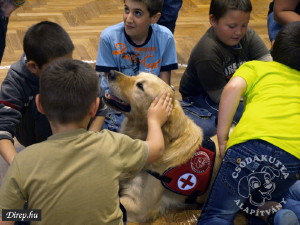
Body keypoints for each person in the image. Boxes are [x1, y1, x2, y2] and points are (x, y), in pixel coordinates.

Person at [0, 59, 173, 225]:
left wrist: (36, 214)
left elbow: (5, 218)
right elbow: (156, 149)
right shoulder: (113, 144)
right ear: (94, 107)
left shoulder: (23, 161)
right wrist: (154, 121)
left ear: (39, 105)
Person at [197, 21, 300, 225]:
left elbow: (232, 88)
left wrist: (223, 137)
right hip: (291, 156)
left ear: (272, 44)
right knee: (262, 202)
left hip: (248, 148)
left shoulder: (257, 67)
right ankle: (277, 215)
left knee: (218, 214)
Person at [0, 21, 107, 165]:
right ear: (33, 67)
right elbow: (2, 129)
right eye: (56, 68)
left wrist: (90, 140)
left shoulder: (73, 69)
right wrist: (18, 165)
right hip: (33, 137)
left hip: (70, 135)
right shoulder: (16, 81)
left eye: (68, 62)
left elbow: (101, 105)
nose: (65, 71)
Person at [179, 0, 272, 137]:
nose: (239, 32)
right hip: (203, 96)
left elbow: (268, 67)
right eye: (232, 26)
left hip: (235, 91)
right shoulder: (207, 52)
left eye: (244, 25)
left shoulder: (249, 35)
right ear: (213, 20)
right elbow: (220, 96)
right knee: (245, 116)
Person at [96, 0, 178, 132]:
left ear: (154, 18)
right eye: (126, 10)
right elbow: (111, 84)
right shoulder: (109, 37)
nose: (128, 19)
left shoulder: (165, 37)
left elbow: (164, 87)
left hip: (146, 102)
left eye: (137, 13)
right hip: (115, 102)